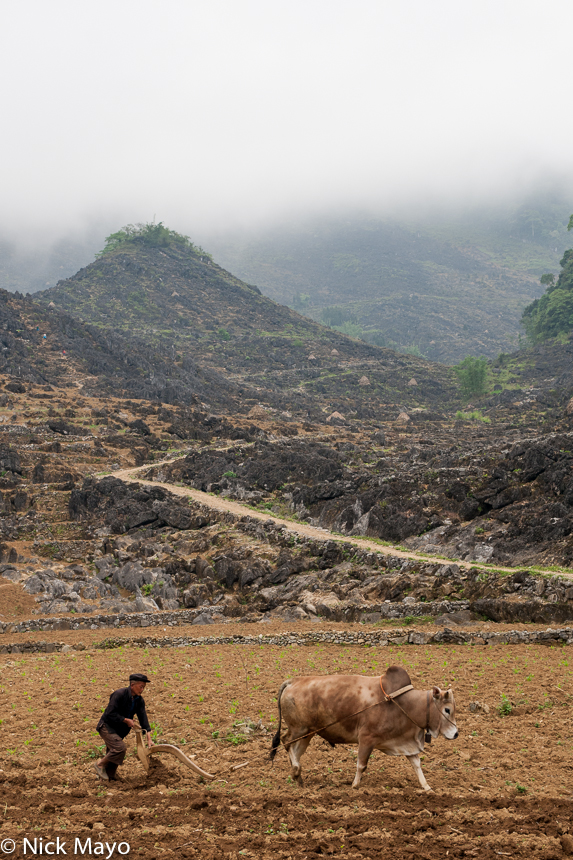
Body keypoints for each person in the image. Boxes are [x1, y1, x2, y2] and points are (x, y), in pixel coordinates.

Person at [94, 673, 153, 781]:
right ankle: (99, 764)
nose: (142, 690)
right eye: (141, 687)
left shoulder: (139, 700)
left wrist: (149, 739)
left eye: (144, 687)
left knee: (113, 753)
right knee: (119, 748)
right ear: (132, 685)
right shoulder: (119, 694)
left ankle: (109, 778)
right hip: (107, 727)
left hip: (119, 730)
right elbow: (110, 713)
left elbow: (143, 719)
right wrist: (125, 720)